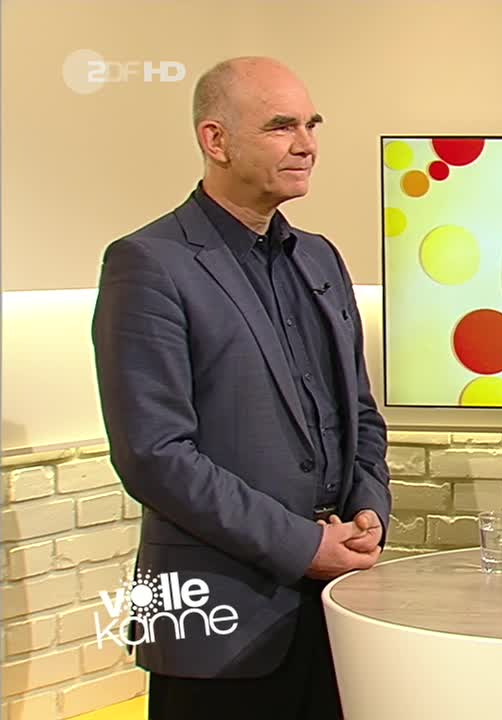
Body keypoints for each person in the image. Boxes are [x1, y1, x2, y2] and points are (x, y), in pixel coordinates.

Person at [91, 56, 390, 720]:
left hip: (335, 611)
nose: (307, 145)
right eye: (282, 126)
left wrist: (370, 509)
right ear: (216, 140)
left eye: (311, 125)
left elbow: (360, 415)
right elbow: (154, 455)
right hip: (215, 621)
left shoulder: (320, 256)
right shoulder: (148, 263)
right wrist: (302, 546)